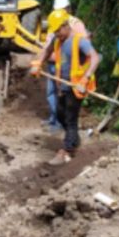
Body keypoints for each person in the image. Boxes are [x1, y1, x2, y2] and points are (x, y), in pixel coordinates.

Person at [30, 10, 101, 165]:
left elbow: (95, 57)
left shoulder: (79, 41)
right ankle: (74, 139)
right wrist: (38, 63)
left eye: (58, 30)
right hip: (61, 86)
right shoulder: (56, 41)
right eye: (54, 31)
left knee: (70, 117)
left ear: (66, 26)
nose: (56, 34)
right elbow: (46, 52)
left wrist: (85, 78)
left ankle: (67, 150)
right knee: (60, 114)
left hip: (76, 87)